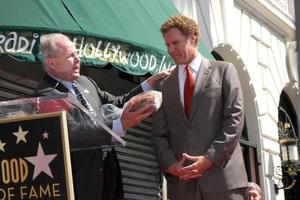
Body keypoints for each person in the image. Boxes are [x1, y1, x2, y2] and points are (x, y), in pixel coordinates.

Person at [33, 33, 168, 200]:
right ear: (51, 63)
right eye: (70, 56)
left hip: (108, 170)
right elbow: (73, 133)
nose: (77, 59)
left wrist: (149, 83)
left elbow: (118, 102)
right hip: (81, 179)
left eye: (77, 54)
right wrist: (118, 125)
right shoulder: (45, 95)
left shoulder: (85, 82)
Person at [151, 15, 248, 200]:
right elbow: (158, 135)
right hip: (182, 188)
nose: (170, 49)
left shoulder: (224, 70)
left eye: (175, 43)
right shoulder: (164, 85)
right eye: (167, 45)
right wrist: (172, 166)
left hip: (223, 183)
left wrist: (209, 159)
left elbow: (234, 120)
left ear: (193, 38)